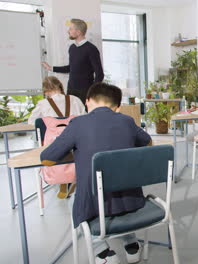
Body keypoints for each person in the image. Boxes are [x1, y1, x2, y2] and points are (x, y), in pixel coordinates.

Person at [41, 82, 152, 264]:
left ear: (87, 102)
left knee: (73, 202)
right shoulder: (126, 121)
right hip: (130, 198)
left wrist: (78, 149)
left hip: (93, 202)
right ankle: (132, 245)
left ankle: (102, 252)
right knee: (117, 193)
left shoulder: (78, 123)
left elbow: (47, 158)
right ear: (117, 107)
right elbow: (147, 143)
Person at [41, 18, 104, 104]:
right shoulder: (72, 48)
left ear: (78, 32)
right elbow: (71, 68)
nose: (68, 31)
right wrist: (51, 68)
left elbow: (99, 73)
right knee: (71, 115)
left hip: (85, 91)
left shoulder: (91, 49)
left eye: (71, 29)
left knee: (84, 116)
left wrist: (92, 92)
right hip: (71, 89)